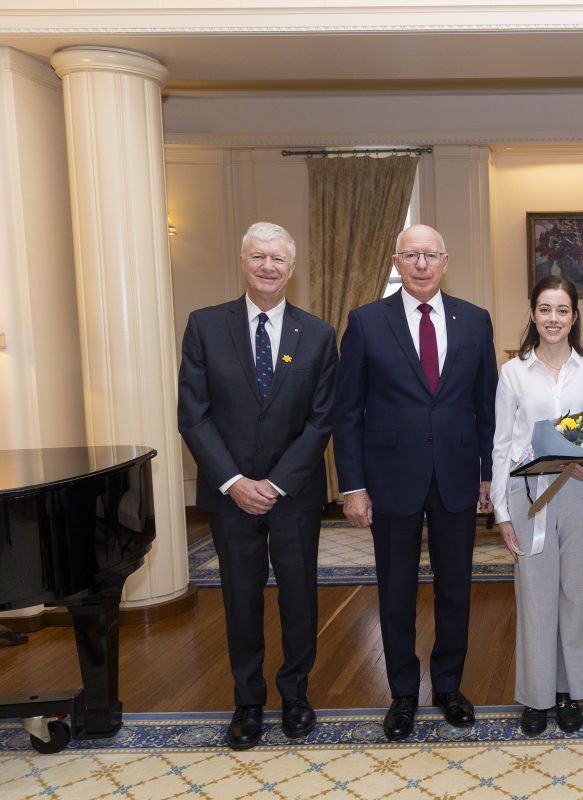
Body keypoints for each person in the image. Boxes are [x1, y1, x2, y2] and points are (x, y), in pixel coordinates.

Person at [333, 224, 498, 741]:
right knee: (397, 591)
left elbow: (486, 406)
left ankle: (447, 686)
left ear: (445, 261)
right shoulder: (365, 322)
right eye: (412, 255)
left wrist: (489, 474)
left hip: (456, 478)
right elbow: (346, 412)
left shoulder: (474, 320)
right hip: (389, 481)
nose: (421, 264)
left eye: (430, 255)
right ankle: (403, 693)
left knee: (456, 589)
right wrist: (352, 485)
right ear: (395, 261)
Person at [178, 221, 338, 750]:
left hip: (293, 494)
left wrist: (273, 483)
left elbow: (321, 420)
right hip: (229, 498)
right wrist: (233, 482)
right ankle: (248, 703)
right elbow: (193, 416)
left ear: (292, 269)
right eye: (258, 257)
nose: (268, 266)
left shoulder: (317, 334)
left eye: (278, 259)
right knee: (240, 599)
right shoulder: (204, 326)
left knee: (299, 598)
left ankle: (295, 696)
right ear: (242, 262)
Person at [491, 276, 583, 736]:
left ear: (574, 317)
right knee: (536, 596)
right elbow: (502, 445)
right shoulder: (513, 373)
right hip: (530, 496)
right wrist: (502, 513)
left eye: (562, 310)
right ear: (533, 314)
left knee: (579, 595)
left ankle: (569, 691)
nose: (554, 319)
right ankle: (537, 696)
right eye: (545, 309)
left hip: (581, 492)